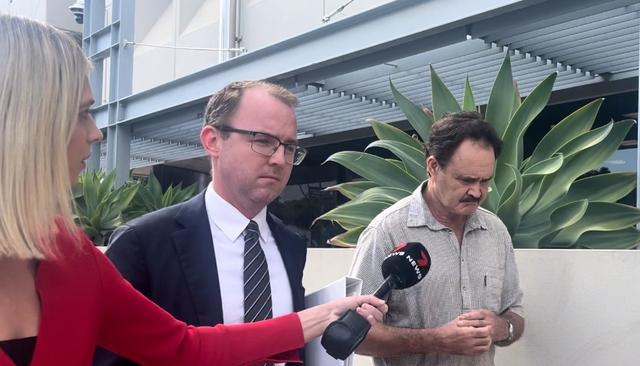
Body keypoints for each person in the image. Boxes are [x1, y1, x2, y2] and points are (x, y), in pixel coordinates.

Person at [0, 14, 387, 366]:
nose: (96, 133)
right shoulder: (140, 240)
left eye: (289, 148)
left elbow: (186, 346)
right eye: (81, 113)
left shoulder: (72, 255)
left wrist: (317, 318)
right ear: (26, 120)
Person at [95, 81, 314, 366]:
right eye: (263, 141)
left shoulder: (291, 245)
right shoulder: (144, 242)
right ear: (213, 141)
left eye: (289, 147)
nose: (279, 159)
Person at [349, 112, 524, 366]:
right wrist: (436, 339)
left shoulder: (496, 232)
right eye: (465, 180)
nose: (476, 191)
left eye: (485, 181)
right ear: (433, 166)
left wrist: (502, 327)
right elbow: (356, 334)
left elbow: (515, 314)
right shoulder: (387, 231)